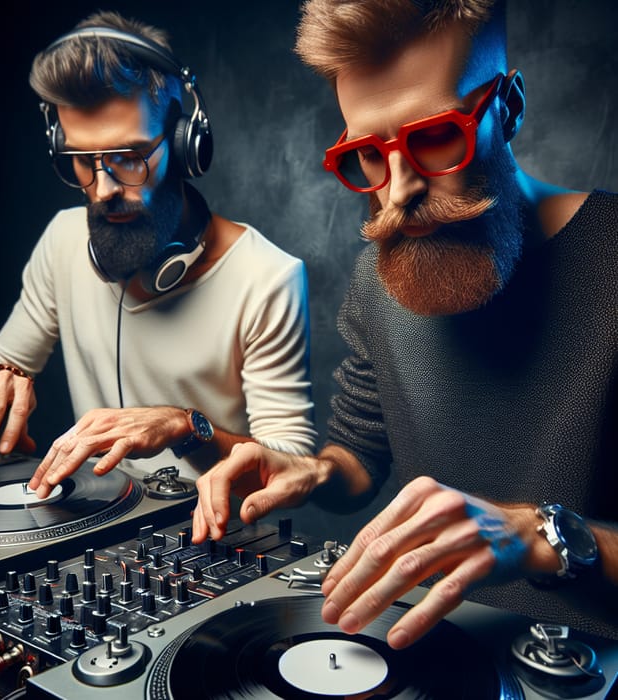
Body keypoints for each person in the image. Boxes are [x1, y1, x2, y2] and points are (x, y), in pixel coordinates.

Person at [191, 0, 618, 646]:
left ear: (510, 107)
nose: (396, 192)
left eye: (435, 136)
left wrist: (542, 536)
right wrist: (313, 471)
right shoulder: (378, 280)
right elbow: (359, 456)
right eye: (366, 153)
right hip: (427, 660)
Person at [0, 10, 316, 497]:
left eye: (128, 157)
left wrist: (185, 426)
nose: (102, 189)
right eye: (82, 159)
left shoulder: (267, 276)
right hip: (95, 538)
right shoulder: (62, 239)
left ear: (186, 144)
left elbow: (293, 470)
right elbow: (0, 363)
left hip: (214, 545)